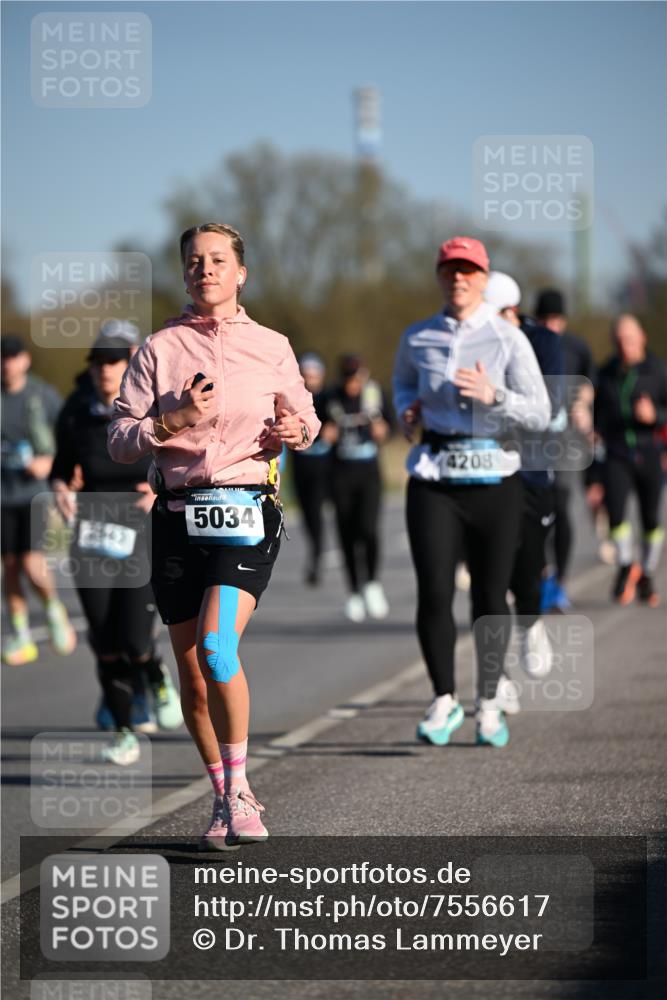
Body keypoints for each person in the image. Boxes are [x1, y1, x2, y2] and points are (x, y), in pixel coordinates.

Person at [108, 222, 320, 847]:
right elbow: (119, 439)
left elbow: (307, 420)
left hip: (247, 512)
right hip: (177, 517)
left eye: (219, 259)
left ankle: (243, 791)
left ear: (240, 272)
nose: (207, 269)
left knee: (216, 648)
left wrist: (294, 432)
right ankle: (224, 796)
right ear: (184, 273)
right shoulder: (159, 349)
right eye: (195, 261)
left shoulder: (272, 345)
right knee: (191, 675)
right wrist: (172, 420)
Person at [393, 237, 550, 748]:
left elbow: (540, 411)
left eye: (468, 271)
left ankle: (487, 701)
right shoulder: (417, 337)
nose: (458, 279)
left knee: (488, 594)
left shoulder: (508, 338)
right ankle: (443, 700)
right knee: (435, 590)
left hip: (494, 477)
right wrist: (406, 412)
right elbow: (401, 385)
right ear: (440, 278)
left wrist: (494, 395)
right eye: (449, 271)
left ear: (483, 279)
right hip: (435, 477)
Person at [50, 333, 182, 764]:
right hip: (90, 530)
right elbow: (59, 467)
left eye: (113, 362)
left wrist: (154, 486)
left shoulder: (150, 406)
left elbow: (183, 456)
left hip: (140, 530)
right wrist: (61, 490)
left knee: (134, 638)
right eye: (97, 363)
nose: (104, 370)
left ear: (128, 366)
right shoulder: (76, 411)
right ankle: (124, 732)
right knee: (105, 641)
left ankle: (153, 670)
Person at [484, 272, 564, 689]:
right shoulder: (472, 339)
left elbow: (546, 411)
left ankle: (531, 624)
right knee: (490, 577)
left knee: (527, 569)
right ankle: (496, 680)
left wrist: (496, 401)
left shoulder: (546, 343)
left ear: (511, 312)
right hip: (483, 471)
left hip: (531, 470)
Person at [1, 334, 76, 665]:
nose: (7, 363)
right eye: (3, 357)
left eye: (13, 357)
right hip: (3, 494)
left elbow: (70, 432)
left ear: (25, 360)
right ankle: (20, 634)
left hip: (34, 494)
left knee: (32, 563)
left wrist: (51, 461)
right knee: (10, 567)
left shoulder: (41, 395)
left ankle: (52, 608)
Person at [594, 314, 667, 606]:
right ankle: (626, 567)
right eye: (620, 340)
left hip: (650, 451)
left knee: (650, 518)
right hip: (617, 453)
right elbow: (597, 414)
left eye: (631, 339)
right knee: (616, 513)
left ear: (642, 339)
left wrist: (655, 417)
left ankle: (646, 574)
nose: (626, 346)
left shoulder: (658, 371)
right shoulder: (606, 372)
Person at [534, 289, 595, 611]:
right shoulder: (526, 342)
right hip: (533, 441)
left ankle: (560, 582)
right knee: (537, 511)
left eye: (555, 320)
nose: (550, 326)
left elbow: (590, 383)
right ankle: (543, 577)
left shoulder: (576, 346)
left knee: (562, 505)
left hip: (567, 441)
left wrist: (584, 402)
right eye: (544, 319)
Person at [321, 354, 391, 622]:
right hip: (340, 473)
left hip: (369, 472)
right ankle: (353, 591)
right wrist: (324, 435)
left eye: (357, 377)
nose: (353, 384)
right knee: (346, 533)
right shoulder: (330, 397)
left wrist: (382, 431)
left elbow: (392, 428)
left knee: (369, 529)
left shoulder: (374, 395)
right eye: (348, 378)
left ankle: (372, 582)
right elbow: (314, 430)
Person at [291, 353, 331, 585]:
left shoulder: (328, 398)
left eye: (314, 376)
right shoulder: (295, 399)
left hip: (325, 465)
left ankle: (319, 556)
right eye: (305, 376)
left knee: (320, 511)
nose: (310, 381)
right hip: (302, 463)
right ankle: (315, 553)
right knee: (308, 513)